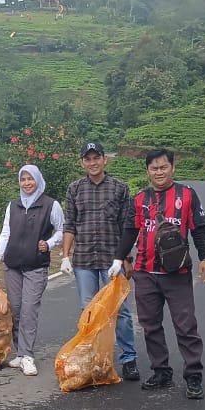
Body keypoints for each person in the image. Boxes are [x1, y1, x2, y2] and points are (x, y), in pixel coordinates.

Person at [111, 147, 205, 399]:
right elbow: (130, 231)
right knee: (150, 325)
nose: (159, 172)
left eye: (163, 167)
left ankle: (193, 375)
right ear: (147, 171)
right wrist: (120, 258)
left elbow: (198, 228)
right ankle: (161, 371)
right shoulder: (139, 199)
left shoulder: (187, 195)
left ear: (172, 168)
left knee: (185, 324)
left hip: (177, 272)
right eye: (154, 168)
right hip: (145, 272)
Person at [60, 141, 141, 381]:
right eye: (88, 159)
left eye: (97, 158)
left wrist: (126, 259)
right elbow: (70, 224)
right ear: (82, 162)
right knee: (88, 309)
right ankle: (94, 358)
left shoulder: (119, 188)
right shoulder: (75, 189)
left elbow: (127, 226)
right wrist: (65, 255)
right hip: (83, 258)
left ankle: (129, 358)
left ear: (105, 160)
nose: (92, 163)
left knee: (121, 310)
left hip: (112, 259)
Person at [0, 165, 65, 376]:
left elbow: (62, 230)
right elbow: (5, 234)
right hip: (13, 267)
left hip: (36, 266)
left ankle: (28, 355)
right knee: (16, 311)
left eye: (30, 179)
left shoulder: (50, 205)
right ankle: (19, 354)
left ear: (38, 180)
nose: (27, 183)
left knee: (29, 311)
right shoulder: (14, 205)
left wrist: (49, 243)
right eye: (23, 179)